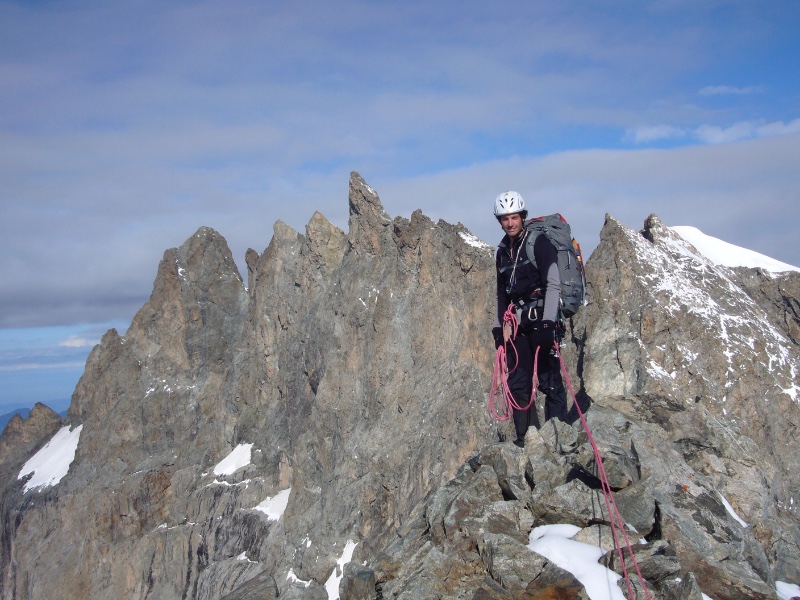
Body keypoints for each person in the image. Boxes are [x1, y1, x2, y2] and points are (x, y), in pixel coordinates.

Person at [492, 191, 568, 447]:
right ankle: (524, 441)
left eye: (514, 217)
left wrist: (548, 323)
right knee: (518, 382)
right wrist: (497, 328)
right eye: (505, 219)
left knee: (550, 382)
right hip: (518, 326)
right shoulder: (502, 252)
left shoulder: (539, 243)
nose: (510, 223)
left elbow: (553, 283)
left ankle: (560, 442)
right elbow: (501, 294)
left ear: (522, 217)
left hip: (542, 321)